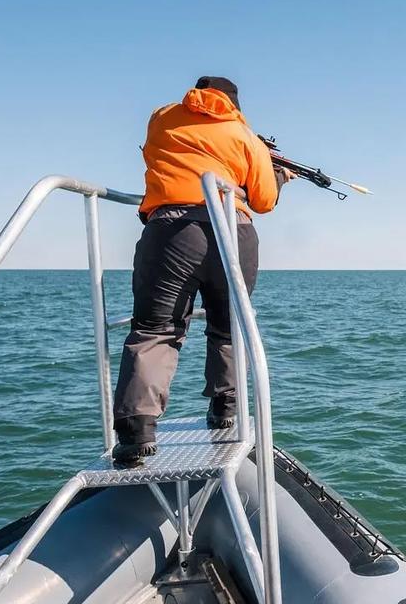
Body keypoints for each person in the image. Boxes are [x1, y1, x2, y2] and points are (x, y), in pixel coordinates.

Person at [111, 76, 292, 464]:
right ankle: (225, 410)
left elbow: (159, 153)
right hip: (232, 232)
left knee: (154, 330)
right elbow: (263, 201)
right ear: (234, 103)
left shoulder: (161, 118)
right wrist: (277, 174)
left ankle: (136, 434)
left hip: (171, 232)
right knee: (227, 329)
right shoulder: (244, 135)